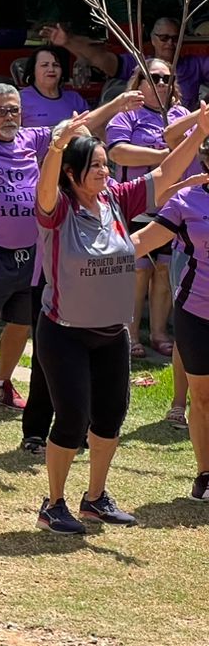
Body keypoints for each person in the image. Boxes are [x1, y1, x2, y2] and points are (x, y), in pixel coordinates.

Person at [0, 84, 139, 412]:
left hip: (32, 252)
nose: (10, 117)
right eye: (2, 111)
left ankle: (1, 384)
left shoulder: (31, 138)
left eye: (15, 110)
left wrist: (118, 102)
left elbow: (79, 127)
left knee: (20, 323)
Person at [31, 109, 204, 533]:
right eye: (96, 166)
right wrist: (57, 145)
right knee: (72, 419)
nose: (105, 172)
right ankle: (53, 503)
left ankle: (95, 498)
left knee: (110, 417)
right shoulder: (58, 209)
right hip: (64, 332)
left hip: (111, 333)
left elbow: (164, 174)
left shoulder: (114, 199)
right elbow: (44, 189)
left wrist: (201, 131)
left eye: (107, 165)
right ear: (71, 173)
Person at [132, 143, 209, 501]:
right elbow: (141, 241)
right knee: (203, 398)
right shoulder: (186, 202)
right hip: (197, 312)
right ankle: (205, 475)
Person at [106, 60, 192, 357]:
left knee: (165, 270)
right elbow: (117, 152)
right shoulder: (128, 114)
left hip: (173, 205)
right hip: (136, 203)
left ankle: (158, 332)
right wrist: (162, 157)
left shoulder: (180, 115)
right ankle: (129, 334)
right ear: (139, 81)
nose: (162, 83)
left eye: (167, 78)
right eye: (154, 77)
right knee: (137, 270)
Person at [47, 17, 209, 108]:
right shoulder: (138, 62)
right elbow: (102, 59)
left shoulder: (194, 65)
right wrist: (68, 41)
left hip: (183, 131)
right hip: (144, 131)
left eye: (175, 38)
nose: (170, 43)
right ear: (153, 39)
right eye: (164, 38)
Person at [19, 44, 90, 128]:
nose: (51, 70)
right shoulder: (20, 99)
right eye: (44, 65)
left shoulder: (74, 98)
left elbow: (93, 126)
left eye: (56, 65)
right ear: (33, 70)